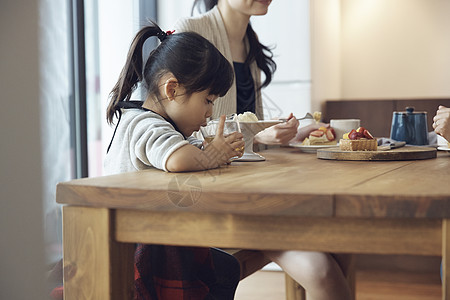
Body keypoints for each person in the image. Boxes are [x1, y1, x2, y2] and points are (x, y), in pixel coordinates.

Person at [174, 2, 352, 299]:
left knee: (340, 245)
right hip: (215, 198)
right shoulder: (192, 31)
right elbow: (183, 129)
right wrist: (258, 134)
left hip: (248, 188)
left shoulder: (249, 43)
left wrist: (269, 135)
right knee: (323, 270)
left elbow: (247, 129)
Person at [105, 22, 245, 300]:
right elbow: (179, 159)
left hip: (154, 239)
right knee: (225, 269)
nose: (210, 112)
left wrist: (211, 151)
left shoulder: (162, 125)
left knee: (227, 266)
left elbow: (186, 151)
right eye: (207, 100)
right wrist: (212, 154)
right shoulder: (143, 124)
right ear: (172, 89)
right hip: (138, 251)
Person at [174, 0, 323, 145]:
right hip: (204, 168)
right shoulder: (190, 29)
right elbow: (180, 132)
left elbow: (250, 128)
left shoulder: (251, 40)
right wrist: (256, 135)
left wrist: (289, 134)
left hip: (243, 167)